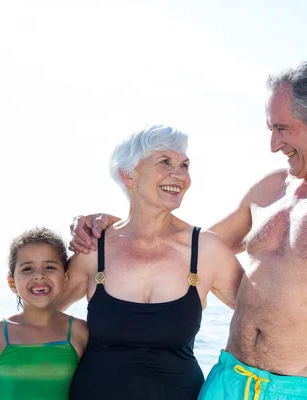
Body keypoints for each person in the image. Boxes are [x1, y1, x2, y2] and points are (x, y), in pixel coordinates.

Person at [70, 61, 307, 400]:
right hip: (228, 380)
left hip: (305, 389)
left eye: (282, 129)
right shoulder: (270, 189)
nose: (274, 145)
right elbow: (186, 244)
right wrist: (119, 225)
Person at [61, 125, 242, 399]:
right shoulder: (93, 248)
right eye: (165, 162)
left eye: (184, 165)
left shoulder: (206, 250)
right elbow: (38, 317)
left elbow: (264, 319)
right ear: (129, 176)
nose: (179, 174)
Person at [0, 227, 88, 400]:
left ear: (65, 278)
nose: (39, 275)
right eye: (27, 269)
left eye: (50, 267)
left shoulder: (81, 332)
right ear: (12, 282)